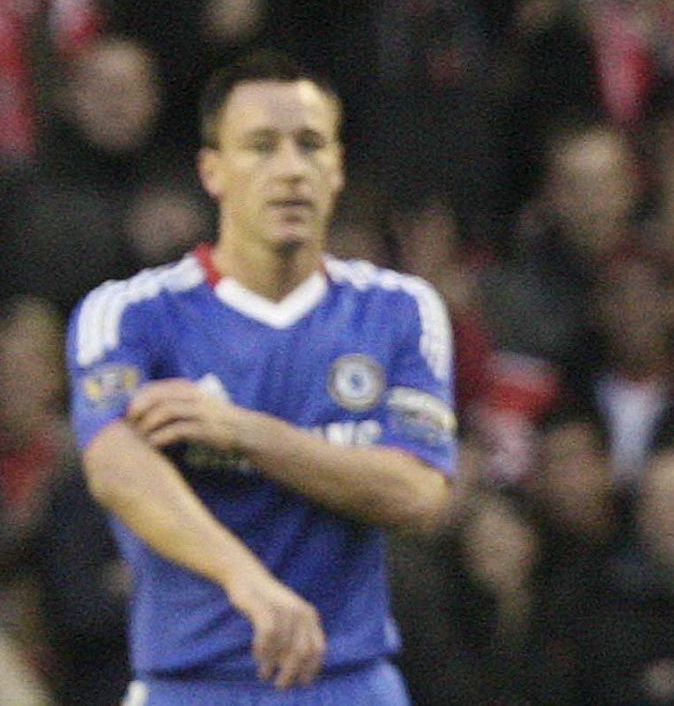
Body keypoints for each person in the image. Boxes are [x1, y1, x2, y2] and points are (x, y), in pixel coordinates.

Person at [67, 51, 456, 704]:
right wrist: (246, 580)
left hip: (351, 682)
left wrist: (244, 432)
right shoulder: (133, 312)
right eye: (260, 147)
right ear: (212, 170)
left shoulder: (399, 309)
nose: (290, 170)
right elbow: (116, 469)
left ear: (336, 168)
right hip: (191, 685)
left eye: (309, 145)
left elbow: (417, 492)